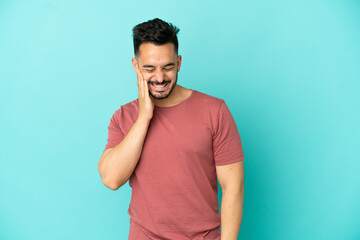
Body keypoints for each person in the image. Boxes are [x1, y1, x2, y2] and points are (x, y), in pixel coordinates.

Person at [98, 18, 245, 240]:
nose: (159, 77)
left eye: (167, 67)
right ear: (135, 66)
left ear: (179, 63)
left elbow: (233, 187)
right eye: (149, 69)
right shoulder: (124, 117)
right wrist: (144, 117)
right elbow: (111, 179)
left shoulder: (215, 111)